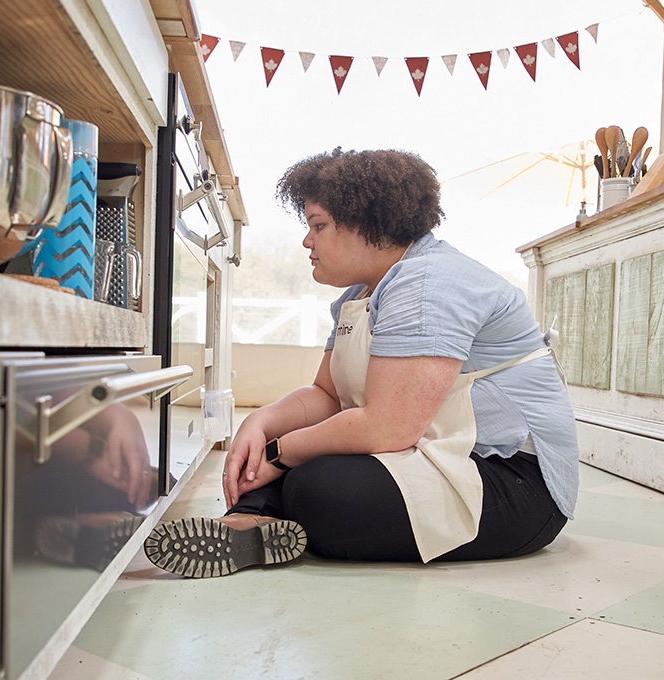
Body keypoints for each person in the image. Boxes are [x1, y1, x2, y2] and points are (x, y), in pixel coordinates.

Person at [144, 148, 581, 578]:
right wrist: (262, 423)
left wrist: (280, 454)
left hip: (515, 482)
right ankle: (250, 521)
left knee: (321, 486)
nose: (307, 241)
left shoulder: (427, 283)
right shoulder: (360, 296)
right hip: (439, 454)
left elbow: (388, 426)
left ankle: (271, 513)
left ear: (367, 224)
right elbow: (327, 395)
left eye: (318, 226)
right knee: (304, 463)